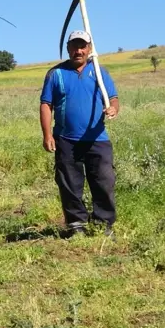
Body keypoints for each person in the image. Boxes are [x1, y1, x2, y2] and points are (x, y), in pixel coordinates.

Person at [40, 30, 120, 238]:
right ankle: (76, 224)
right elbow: (46, 104)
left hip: (97, 138)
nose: (79, 51)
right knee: (69, 183)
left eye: (83, 46)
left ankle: (103, 224)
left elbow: (113, 98)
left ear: (89, 48)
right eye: (74, 46)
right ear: (68, 49)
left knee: (104, 181)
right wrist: (47, 135)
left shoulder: (100, 72)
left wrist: (113, 108)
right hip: (66, 139)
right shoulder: (56, 74)